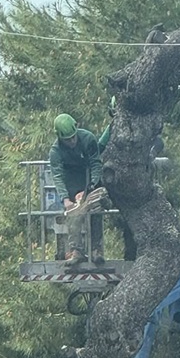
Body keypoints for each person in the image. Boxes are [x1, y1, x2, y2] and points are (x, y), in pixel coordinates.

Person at [48, 113, 104, 266]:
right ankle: (76, 251)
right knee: (74, 214)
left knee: (95, 210)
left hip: (89, 178)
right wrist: (66, 199)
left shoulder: (88, 139)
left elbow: (95, 163)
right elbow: (57, 176)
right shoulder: (55, 152)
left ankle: (96, 250)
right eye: (67, 140)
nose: (72, 141)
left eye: (73, 137)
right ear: (60, 137)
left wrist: (93, 183)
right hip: (71, 181)